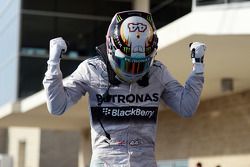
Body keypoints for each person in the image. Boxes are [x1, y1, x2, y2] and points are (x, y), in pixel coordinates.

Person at [43, 10, 206, 167]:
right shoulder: (91, 69)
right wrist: (53, 64)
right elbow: (57, 106)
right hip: (106, 160)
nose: (133, 71)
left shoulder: (157, 71)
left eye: (141, 65)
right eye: (127, 63)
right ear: (111, 48)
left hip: (144, 160)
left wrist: (197, 69)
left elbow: (187, 107)